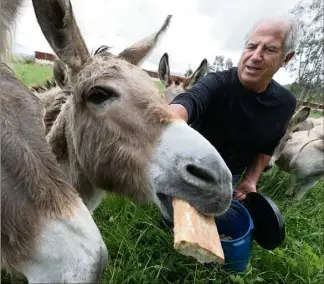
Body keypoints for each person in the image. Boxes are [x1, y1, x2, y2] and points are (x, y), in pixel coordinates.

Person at [168, 16, 299, 201]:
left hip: (228, 177)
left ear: (286, 58)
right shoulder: (218, 83)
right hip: (188, 169)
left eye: (269, 49)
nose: (255, 56)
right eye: (251, 46)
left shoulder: (285, 103)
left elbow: (268, 146)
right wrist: (166, 118)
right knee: (170, 220)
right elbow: (190, 100)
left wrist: (250, 180)